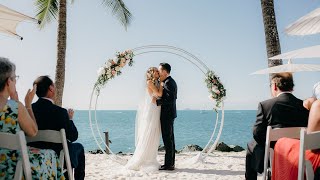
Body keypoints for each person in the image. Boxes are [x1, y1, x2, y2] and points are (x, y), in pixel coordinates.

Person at [0, 57, 64, 179]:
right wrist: (27, 104)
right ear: (9, 82)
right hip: (11, 169)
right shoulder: (15, 107)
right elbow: (33, 131)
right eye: (15, 78)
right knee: (50, 156)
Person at [245, 72, 309, 180]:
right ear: (292, 87)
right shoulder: (304, 105)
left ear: (274, 86)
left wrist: (269, 146)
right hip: (298, 153)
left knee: (251, 145)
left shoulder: (265, 105)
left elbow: (257, 132)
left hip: (273, 154)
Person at [28, 76, 85, 180]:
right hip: (58, 157)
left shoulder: (28, 110)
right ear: (51, 88)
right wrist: (70, 119)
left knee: (67, 150)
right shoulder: (60, 112)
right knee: (79, 148)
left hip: (33, 156)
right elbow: (73, 136)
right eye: (53, 86)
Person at [125, 67, 163, 172]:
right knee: (149, 131)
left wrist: (159, 85)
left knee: (154, 132)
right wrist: (162, 85)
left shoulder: (156, 81)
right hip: (152, 109)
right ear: (151, 73)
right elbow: (159, 94)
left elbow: (158, 96)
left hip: (157, 108)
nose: (158, 72)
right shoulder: (150, 82)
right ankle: (143, 158)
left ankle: (151, 157)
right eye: (156, 71)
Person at [272, 99, 320, 180]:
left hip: (315, 159)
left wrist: (313, 107)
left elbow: (313, 145)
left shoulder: (318, 105)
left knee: (281, 143)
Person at [156, 63, 177, 171]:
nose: (159, 73)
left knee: (167, 140)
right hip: (169, 114)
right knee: (170, 139)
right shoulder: (168, 81)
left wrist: (157, 101)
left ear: (164, 71)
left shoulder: (169, 82)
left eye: (160, 70)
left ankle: (169, 165)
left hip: (167, 115)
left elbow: (170, 99)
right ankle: (171, 163)